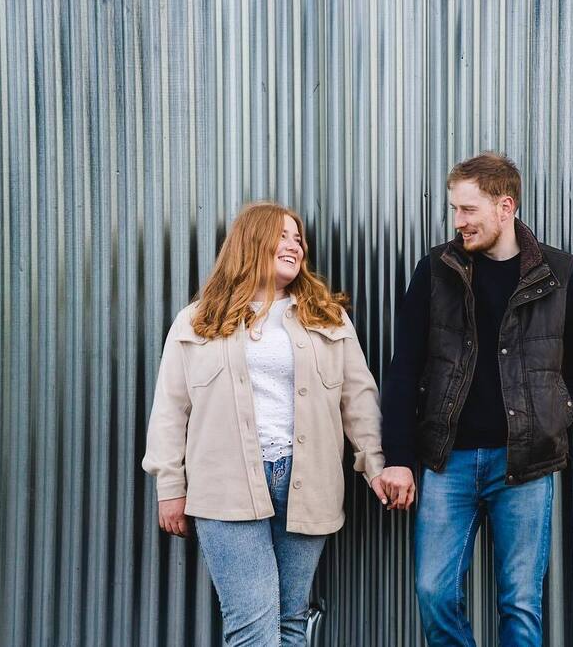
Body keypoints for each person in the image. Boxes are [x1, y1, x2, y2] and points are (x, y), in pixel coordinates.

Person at [376, 152, 573, 646]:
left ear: (505, 207)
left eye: (468, 210)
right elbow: (403, 371)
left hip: (524, 464)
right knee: (433, 592)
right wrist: (397, 457)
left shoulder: (559, 273)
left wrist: (557, 413)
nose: (458, 222)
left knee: (520, 602)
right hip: (448, 463)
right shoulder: (435, 271)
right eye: (455, 210)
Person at [142, 202, 389, 646]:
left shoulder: (327, 318)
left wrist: (375, 466)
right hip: (226, 485)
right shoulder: (198, 320)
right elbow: (170, 409)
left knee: (291, 622)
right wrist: (169, 487)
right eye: (284, 235)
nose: (295, 245)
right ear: (251, 242)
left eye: (299, 238)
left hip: (308, 483)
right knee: (253, 629)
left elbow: (359, 398)